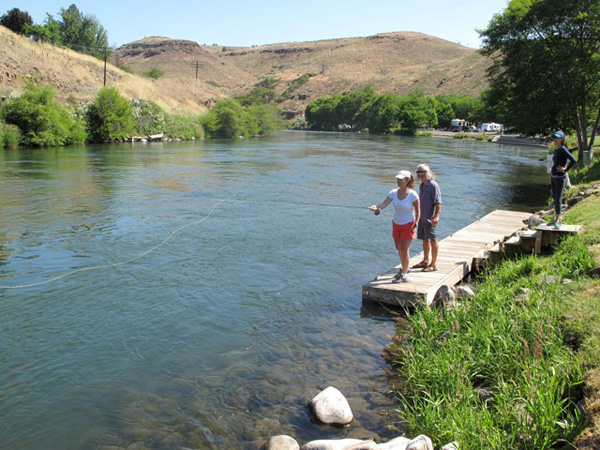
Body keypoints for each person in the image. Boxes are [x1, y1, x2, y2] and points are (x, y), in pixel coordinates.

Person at [369, 170, 420, 283]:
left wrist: (415, 224)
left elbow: (418, 211)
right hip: (396, 223)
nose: (398, 181)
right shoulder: (393, 192)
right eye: (397, 179)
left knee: (405, 249)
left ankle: (404, 276)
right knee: (399, 248)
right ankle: (404, 267)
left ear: (407, 180)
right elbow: (383, 204)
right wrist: (376, 207)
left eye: (401, 179)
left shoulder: (413, 195)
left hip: (408, 224)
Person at [411, 164, 442, 272]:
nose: (419, 174)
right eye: (418, 172)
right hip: (422, 217)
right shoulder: (422, 186)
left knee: (433, 240)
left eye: (422, 172)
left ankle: (433, 264)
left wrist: (436, 216)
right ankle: (425, 260)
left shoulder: (433, 185)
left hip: (430, 218)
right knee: (425, 240)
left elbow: (438, 202)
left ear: (428, 172)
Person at [548, 130, 576, 228]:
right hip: (554, 177)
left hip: (560, 178)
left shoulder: (563, 149)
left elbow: (573, 160)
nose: (555, 140)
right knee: (555, 198)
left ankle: (558, 221)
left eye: (557, 138)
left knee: (558, 199)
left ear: (562, 139)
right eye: (554, 138)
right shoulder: (556, 150)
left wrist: (565, 169)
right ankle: (555, 219)